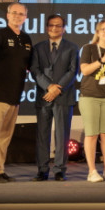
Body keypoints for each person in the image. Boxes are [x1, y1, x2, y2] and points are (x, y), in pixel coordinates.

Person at [0, 2, 32, 183]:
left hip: (14, 96)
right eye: (14, 13)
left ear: (26, 17)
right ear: (7, 15)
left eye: (21, 14)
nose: (17, 16)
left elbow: (30, 67)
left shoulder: (26, 39)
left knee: (4, 137)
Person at [30, 14, 79, 181]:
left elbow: (73, 72)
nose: (54, 28)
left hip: (63, 97)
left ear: (64, 28)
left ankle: (59, 169)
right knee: (42, 135)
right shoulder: (37, 48)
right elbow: (35, 71)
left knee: (62, 135)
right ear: (46, 27)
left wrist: (57, 89)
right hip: (44, 96)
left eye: (58, 26)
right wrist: (49, 87)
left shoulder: (72, 48)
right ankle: (42, 169)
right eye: (51, 25)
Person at [78, 19, 105, 182]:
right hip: (90, 96)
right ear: (97, 32)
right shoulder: (88, 48)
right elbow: (84, 70)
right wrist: (102, 60)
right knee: (92, 134)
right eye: (103, 29)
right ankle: (92, 171)